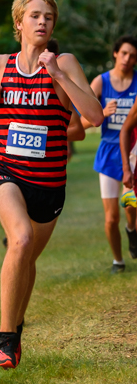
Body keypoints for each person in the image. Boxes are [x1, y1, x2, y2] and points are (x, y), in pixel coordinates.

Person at [0, 0, 103, 369]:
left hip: (49, 183)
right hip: (6, 171)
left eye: (48, 17)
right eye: (35, 15)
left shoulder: (64, 61)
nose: (42, 22)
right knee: (21, 238)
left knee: (26, 257)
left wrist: (57, 74)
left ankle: (14, 324)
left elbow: (94, 117)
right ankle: (6, 340)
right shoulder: (1, 63)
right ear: (19, 23)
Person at [81, 35, 137, 274]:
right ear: (115, 53)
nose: (127, 59)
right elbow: (80, 122)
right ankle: (118, 260)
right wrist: (101, 113)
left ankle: (132, 230)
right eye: (124, 53)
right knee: (111, 217)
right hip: (108, 153)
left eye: (133, 55)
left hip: (134, 153)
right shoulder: (101, 82)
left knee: (131, 207)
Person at [120, 97, 137, 259]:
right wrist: (126, 168)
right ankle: (131, 229)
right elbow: (125, 130)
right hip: (135, 157)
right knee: (130, 206)